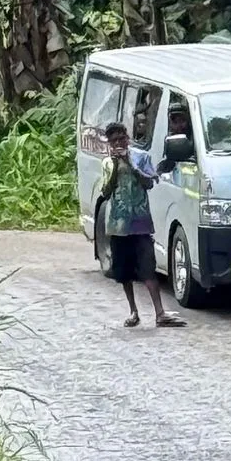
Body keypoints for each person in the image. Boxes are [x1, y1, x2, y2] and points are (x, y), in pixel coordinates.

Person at [95, 121, 184, 331]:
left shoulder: (141, 157)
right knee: (124, 272)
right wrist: (117, 166)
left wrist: (131, 165)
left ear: (127, 137)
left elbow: (150, 182)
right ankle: (133, 311)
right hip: (118, 224)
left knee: (148, 269)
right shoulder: (107, 163)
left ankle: (159, 313)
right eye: (114, 141)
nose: (119, 143)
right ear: (109, 143)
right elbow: (106, 192)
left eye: (122, 139)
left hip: (141, 223)